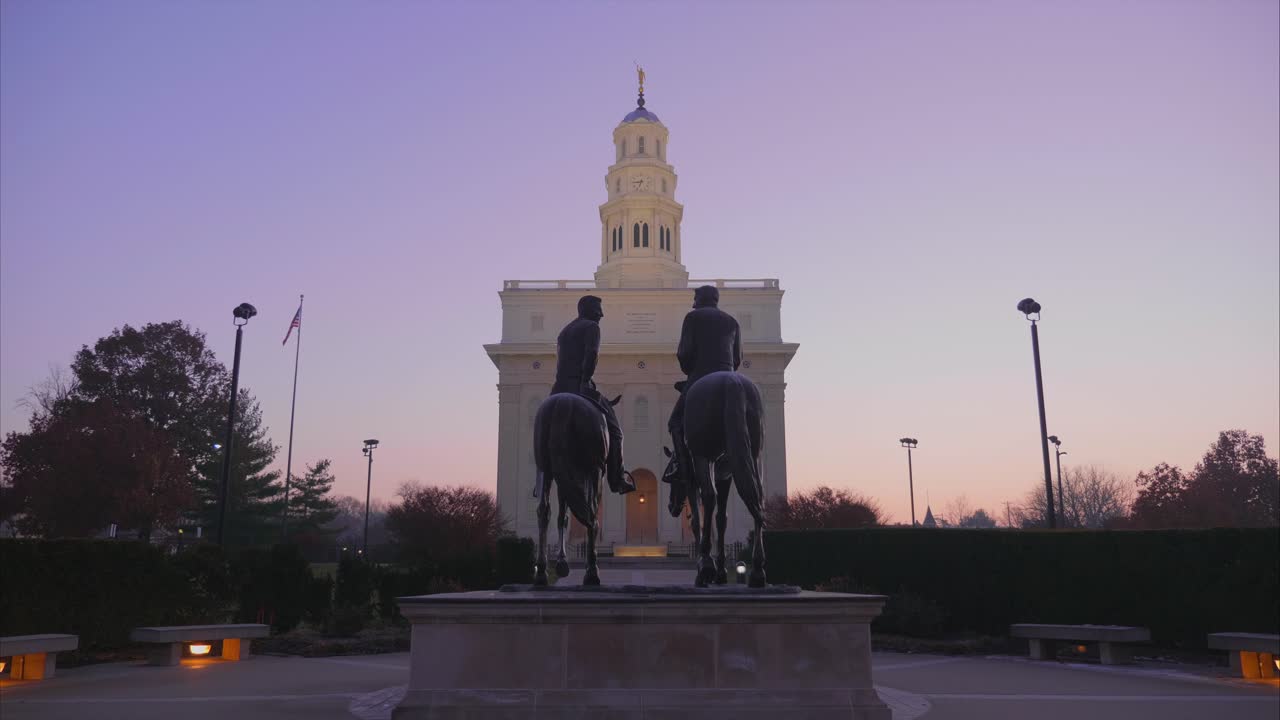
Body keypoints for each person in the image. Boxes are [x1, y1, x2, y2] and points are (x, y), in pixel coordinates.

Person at [552, 295, 635, 494]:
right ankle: (617, 480)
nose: (602, 314)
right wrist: (584, 382)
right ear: (587, 310)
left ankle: (542, 479)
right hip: (579, 386)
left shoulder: (564, 332)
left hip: (558, 389)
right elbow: (591, 356)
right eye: (598, 310)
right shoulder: (591, 327)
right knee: (616, 433)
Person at [666, 285, 742, 482]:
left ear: (701, 299)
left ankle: (679, 467)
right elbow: (737, 359)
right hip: (729, 376)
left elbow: (684, 353)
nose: (694, 303)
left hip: (700, 375)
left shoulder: (693, 317)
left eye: (695, 298)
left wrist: (691, 372)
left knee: (675, 423)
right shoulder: (732, 321)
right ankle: (731, 455)